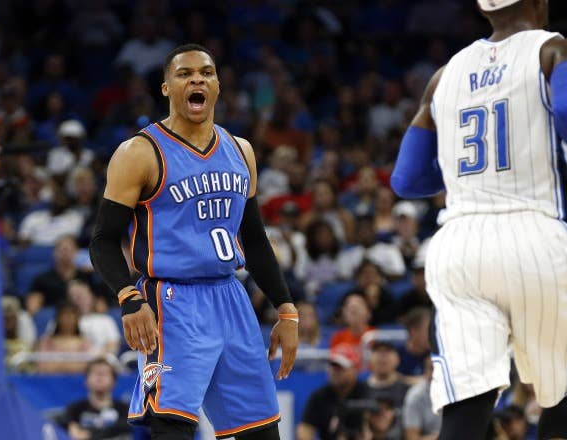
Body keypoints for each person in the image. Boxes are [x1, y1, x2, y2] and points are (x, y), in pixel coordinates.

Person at [391, 0, 567, 438]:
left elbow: (406, 179)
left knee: (468, 405)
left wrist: (473, 175)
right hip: (538, 236)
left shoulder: (444, 75)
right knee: (566, 392)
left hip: (459, 246)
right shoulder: (557, 50)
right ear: (541, 2)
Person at [89, 44, 298, 440]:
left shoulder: (241, 150)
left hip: (230, 297)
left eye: (206, 72)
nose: (197, 79)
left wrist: (286, 310)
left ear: (218, 85)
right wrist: (129, 299)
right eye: (184, 74)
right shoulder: (139, 152)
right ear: (166, 87)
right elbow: (102, 240)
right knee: (172, 427)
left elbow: (253, 240)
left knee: (261, 431)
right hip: (171, 301)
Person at [296, 344, 368, 440]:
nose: (334, 371)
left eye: (340, 367)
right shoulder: (319, 396)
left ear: (355, 369)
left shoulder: (366, 392)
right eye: (332, 366)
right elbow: (305, 428)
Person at [58, 358, 132, 440]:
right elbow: (66, 427)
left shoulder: (124, 410)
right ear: (86, 380)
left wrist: (89, 435)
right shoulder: (75, 409)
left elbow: (125, 429)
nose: (99, 377)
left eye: (104, 374)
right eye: (95, 373)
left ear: (114, 381)